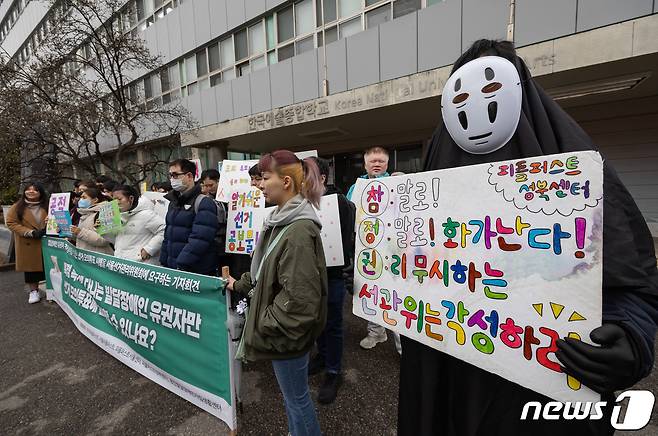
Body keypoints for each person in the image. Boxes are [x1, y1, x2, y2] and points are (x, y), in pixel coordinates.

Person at [399, 39, 658, 436]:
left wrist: (630, 336)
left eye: (491, 91)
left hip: (541, 397)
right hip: (448, 380)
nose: (477, 110)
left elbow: (631, 278)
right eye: (463, 96)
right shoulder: (433, 182)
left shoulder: (578, 177)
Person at [226, 150, 327, 436]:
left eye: (264, 177)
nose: (258, 184)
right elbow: (264, 272)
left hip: (286, 336)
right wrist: (239, 285)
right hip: (283, 334)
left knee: (297, 399)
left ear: (285, 182)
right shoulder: (280, 219)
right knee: (293, 399)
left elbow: (300, 301)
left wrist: (265, 322)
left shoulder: (297, 230)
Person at [307, 157, 356, 404]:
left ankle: (334, 372)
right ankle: (323, 355)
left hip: (334, 275)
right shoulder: (302, 204)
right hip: (309, 275)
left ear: (322, 178)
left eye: (307, 174)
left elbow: (347, 241)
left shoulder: (340, 203)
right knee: (317, 321)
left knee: (333, 322)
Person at [346, 146, 395, 350]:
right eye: (372, 161)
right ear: (365, 163)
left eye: (381, 161)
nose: (376, 164)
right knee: (372, 291)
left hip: (393, 248)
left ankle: (403, 343)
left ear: (387, 163)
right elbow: (349, 213)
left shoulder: (397, 182)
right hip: (366, 247)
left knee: (396, 293)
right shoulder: (356, 187)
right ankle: (376, 332)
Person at [159, 159, 219, 275]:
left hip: (195, 271)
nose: (172, 179)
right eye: (170, 175)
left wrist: (181, 264)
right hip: (175, 270)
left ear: (189, 176)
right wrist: (164, 261)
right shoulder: (173, 203)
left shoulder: (204, 202)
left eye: (176, 175)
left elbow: (200, 239)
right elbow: (168, 236)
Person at [5, 183, 49, 304]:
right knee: (31, 269)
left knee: (50, 267)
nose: (31, 192)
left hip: (46, 239)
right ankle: (33, 291)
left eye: (35, 190)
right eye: (28, 190)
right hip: (28, 241)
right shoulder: (17, 207)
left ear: (40, 193)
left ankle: (51, 291)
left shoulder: (48, 205)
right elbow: (11, 223)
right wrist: (29, 232)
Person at [111, 185, 164, 265]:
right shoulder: (118, 216)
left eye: (119, 199)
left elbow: (164, 230)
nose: (116, 203)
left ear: (131, 198)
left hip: (142, 265)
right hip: (122, 263)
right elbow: (114, 239)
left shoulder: (146, 214)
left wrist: (149, 249)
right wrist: (102, 230)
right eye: (114, 200)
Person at [71, 187, 114, 255]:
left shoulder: (104, 213)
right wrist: (70, 232)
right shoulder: (84, 214)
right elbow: (81, 239)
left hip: (99, 259)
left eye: (84, 198)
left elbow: (103, 240)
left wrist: (80, 232)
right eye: (81, 197)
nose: (80, 200)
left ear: (95, 200)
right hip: (87, 259)